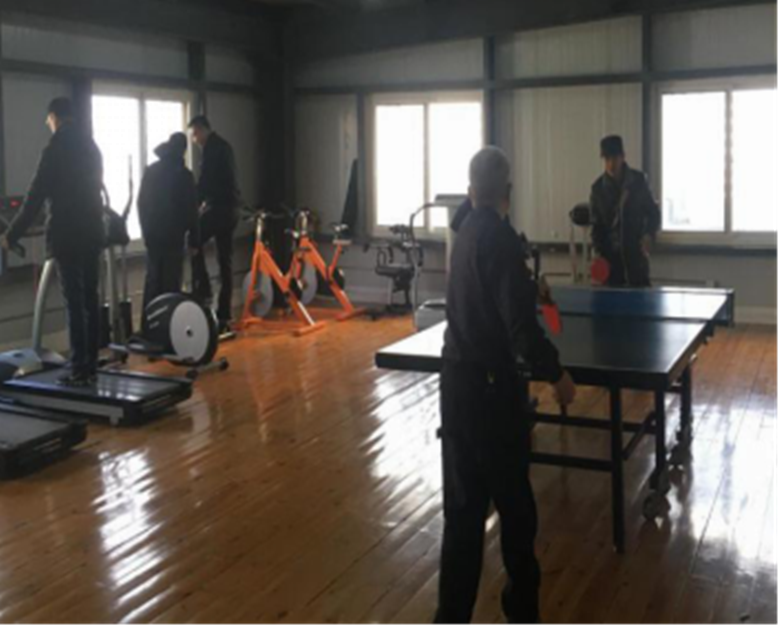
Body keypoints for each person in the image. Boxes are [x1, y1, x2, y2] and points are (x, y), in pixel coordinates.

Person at [437, 147, 576, 625]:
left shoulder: (465, 231)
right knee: (517, 514)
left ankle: (450, 618)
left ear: (470, 190)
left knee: (462, 518)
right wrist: (556, 374)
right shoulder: (500, 240)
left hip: (456, 389)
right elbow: (522, 331)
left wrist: (523, 286)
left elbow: (490, 291)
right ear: (509, 193)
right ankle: (522, 612)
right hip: (493, 396)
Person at [0, 97, 105, 387]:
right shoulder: (91, 146)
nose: (48, 125)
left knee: (74, 302)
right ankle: (91, 364)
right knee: (90, 298)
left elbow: (34, 197)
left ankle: (79, 369)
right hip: (93, 231)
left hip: (67, 234)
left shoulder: (55, 148)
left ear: (54, 117)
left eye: (48, 120)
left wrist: (11, 235)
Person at [188, 115, 241, 334]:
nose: (194, 140)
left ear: (202, 130)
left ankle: (204, 290)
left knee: (193, 241)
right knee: (225, 261)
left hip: (219, 209)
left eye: (194, 135)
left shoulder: (211, 149)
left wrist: (194, 205)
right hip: (232, 209)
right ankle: (225, 313)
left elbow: (205, 182)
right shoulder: (225, 146)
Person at [138, 132, 199, 316]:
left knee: (152, 282)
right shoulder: (185, 176)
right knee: (171, 285)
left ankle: (148, 323)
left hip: (153, 236)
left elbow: (141, 203)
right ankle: (168, 325)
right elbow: (191, 210)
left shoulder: (151, 171)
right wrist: (194, 241)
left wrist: (146, 232)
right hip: (174, 238)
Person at [590, 135, 662, 287]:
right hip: (611, 267)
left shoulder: (638, 182)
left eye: (615, 158)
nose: (611, 164)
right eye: (607, 159)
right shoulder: (597, 190)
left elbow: (653, 213)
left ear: (623, 156)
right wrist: (599, 256)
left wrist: (649, 234)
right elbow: (597, 228)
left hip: (637, 262)